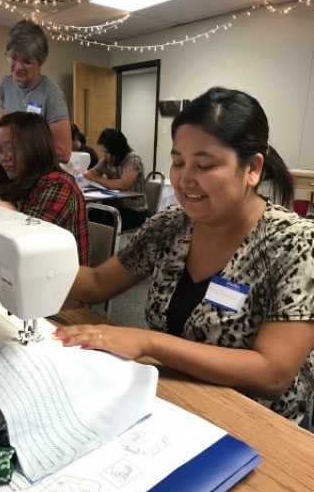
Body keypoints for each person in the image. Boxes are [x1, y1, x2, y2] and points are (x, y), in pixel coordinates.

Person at [53, 86, 314, 425]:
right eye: (177, 162)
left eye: (204, 165)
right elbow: (98, 283)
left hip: (258, 422)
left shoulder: (294, 244)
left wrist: (150, 343)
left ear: (252, 168)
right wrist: (27, 253)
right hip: (179, 400)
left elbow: (272, 374)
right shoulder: (171, 226)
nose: (185, 179)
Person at [0, 111, 89, 266]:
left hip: (64, 284)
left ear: (35, 146)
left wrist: (3, 215)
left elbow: (24, 243)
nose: (4, 157)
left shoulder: (59, 185)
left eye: (11, 148)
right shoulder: (17, 183)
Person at [0, 19, 71, 164]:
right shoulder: (6, 85)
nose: (18, 67)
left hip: (40, 177)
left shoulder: (51, 94)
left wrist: (23, 153)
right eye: (13, 58)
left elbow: (63, 153)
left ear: (40, 63)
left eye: (26, 61)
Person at [84, 128, 148, 231]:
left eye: (106, 152)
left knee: (105, 224)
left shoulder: (132, 160)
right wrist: (88, 174)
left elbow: (123, 184)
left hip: (134, 210)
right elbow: (94, 172)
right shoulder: (107, 159)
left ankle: (108, 246)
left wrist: (97, 178)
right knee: (89, 216)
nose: (104, 155)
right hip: (114, 206)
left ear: (116, 150)